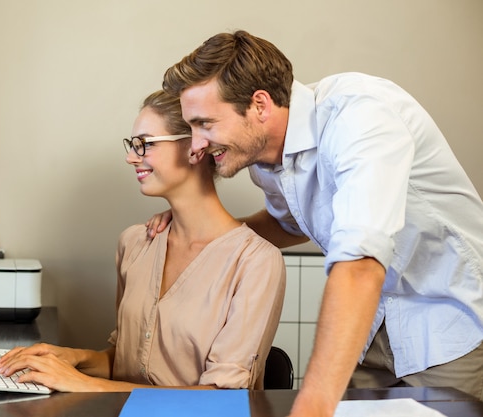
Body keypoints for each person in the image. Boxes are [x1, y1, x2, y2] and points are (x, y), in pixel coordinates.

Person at [145, 30, 483, 417]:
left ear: (259, 105)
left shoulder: (361, 117)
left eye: (205, 123)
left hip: (446, 323)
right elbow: (289, 225)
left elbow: (359, 265)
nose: (196, 144)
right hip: (371, 330)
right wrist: (199, 229)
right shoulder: (265, 162)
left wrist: (312, 405)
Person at [0, 89, 286, 392]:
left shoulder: (257, 263)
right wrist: (72, 358)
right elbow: (126, 363)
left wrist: (83, 383)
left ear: (196, 148)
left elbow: (220, 399)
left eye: (144, 144)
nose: (131, 157)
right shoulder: (134, 243)